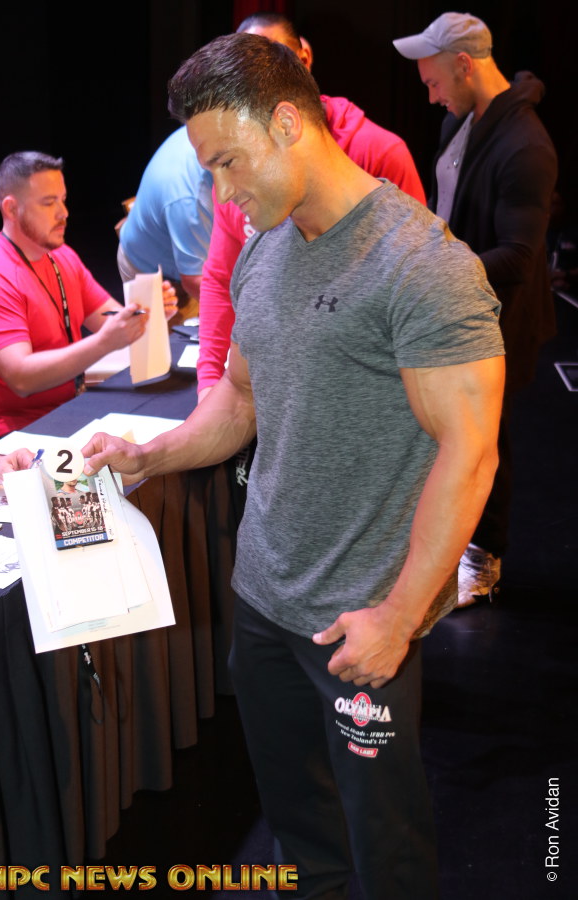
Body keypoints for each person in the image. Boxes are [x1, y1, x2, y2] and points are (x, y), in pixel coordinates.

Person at [83, 33, 505, 898]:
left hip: (360, 620)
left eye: (228, 163)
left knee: (387, 851)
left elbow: (471, 455)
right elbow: (241, 399)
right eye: (210, 170)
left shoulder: (425, 267)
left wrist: (398, 617)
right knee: (302, 832)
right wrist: (147, 456)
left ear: (286, 123)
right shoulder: (266, 248)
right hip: (264, 602)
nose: (222, 192)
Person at [393, 12, 558, 605]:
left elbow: (519, 256)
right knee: (448, 431)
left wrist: (437, 269)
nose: (431, 96)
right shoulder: (461, 122)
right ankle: (446, 542)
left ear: (464, 65)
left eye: (435, 82)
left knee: (487, 439)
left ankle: (484, 560)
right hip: (457, 302)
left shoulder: (526, 147)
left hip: (502, 319)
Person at [197, 12, 427, 398]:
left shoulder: (379, 152)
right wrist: (209, 382)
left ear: (303, 60)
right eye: (244, 74)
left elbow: (419, 290)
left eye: (272, 62)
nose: (258, 84)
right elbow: (221, 279)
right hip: (271, 387)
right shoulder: (235, 174)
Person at [0, 151, 178, 439]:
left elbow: (111, 319)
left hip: (71, 409)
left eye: (63, 199)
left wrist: (149, 313)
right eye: (49, 203)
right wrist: (104, 342)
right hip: (18, 434)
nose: (64, 213)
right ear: (11, 209)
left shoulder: (62, 256)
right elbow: (21, 378)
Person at [117, 125, 213, 302]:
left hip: (189, 252)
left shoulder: (208, 131)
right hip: (152, 273)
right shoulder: (190, 199)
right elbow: (195, 281)